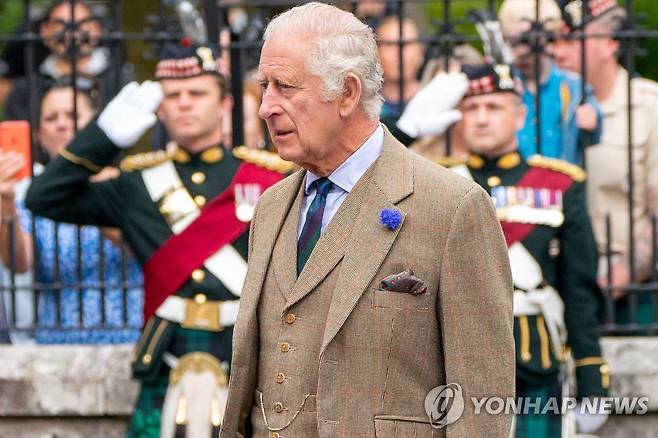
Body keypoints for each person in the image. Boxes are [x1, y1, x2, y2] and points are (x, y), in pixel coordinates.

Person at [220, 3, 515, 437]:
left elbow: (480, 404)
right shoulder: (270, 206)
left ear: (348, 93)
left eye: (285, 86)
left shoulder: (454, 207)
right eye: (265, 86)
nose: (266, 107)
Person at [25, 42, 292, 437]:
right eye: (173, 96)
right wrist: (103, 137)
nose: (184, 104)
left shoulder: (269, 180)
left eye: (197, 93)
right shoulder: (136, 184)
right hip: (166, 351)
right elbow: (42, 197)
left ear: (224, 106)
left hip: (243, 353)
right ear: (159, 110)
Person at [429, 62, 608, 436]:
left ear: (520, 114)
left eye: (493, 107)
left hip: (534, 357)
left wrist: (592, 373)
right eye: (471, 109)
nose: (480, 119)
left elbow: (579, 288)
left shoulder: (559, 185)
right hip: (453, 360)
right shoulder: (438, 182)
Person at [0, 81, 143, 344]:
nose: (62, 125)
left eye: (73, 115)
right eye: (51, 118)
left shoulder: (127, 182)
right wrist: (5, 202)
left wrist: (89, 203)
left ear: (97, 125)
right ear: (39, 136)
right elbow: (19, 263)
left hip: (129, 336)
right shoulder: (32, 194)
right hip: (57, 341)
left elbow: (143, 248)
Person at [554, 0, 658, 324]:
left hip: (626, 290)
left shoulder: (648, 105)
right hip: (551, 278)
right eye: (555, 41)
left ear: (611, 43)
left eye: (572, 40)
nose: (558, 52)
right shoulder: (540, 105)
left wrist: (623, 273)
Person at [498, 0, 602, 165]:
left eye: (524, 41)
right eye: (509, 42)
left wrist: (592, 122)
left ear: (549, 39)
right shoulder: (503, 82)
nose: (516, 52)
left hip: (562, 180)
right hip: (514, 180)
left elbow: (593, 134)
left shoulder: (572, 85)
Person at [4, 0, 126, 122]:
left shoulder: (120, 82)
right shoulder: (25, 90)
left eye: (81, 23)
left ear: (97, 29)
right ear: (44, 31)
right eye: (60, 24)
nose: (71, 33)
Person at [376, 15, 425, 146]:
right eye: (390, 44)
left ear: (421, 53)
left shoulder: (433, 99)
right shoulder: (364, 105)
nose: (398, 53)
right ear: (376, 53)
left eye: (407, 44)